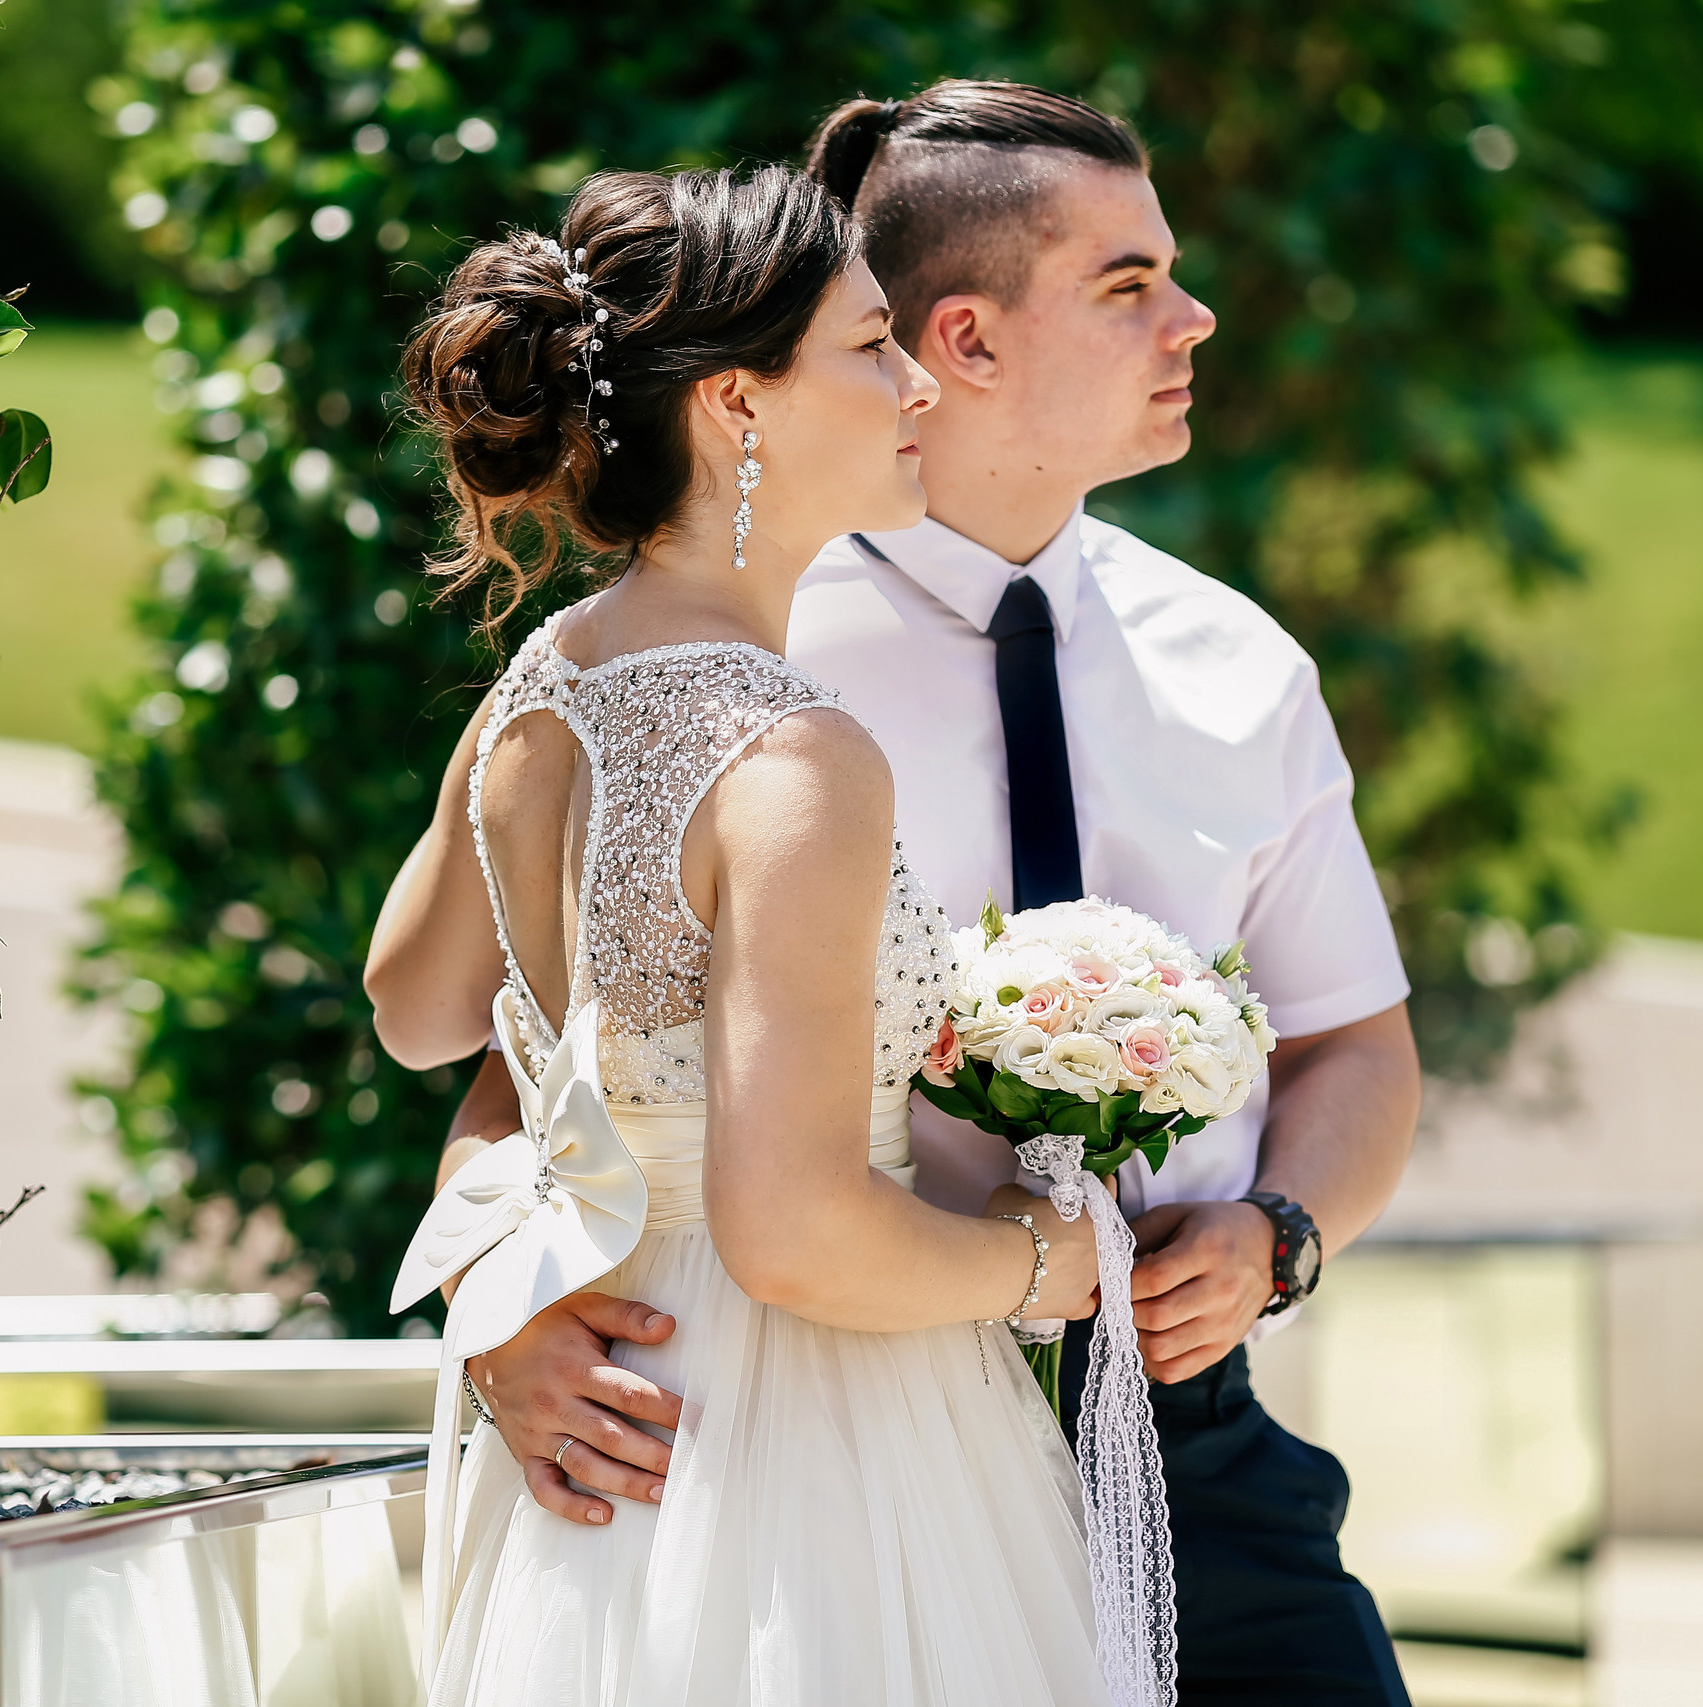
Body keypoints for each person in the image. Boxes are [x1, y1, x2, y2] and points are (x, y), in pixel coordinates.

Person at [373, 82, 1424, 1706]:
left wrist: (1275, 1234)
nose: (1194, 319)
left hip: (1182, 1432)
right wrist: (497, 1306)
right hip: (810, 1433)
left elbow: (1357, 1041)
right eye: (1130, 282)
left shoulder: (1241, 664)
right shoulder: (772, 686)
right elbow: (540, 1062)